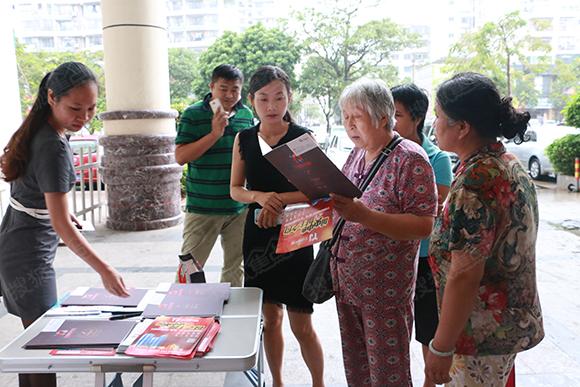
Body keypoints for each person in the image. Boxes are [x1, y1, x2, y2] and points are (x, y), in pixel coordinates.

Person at [0, 61, 129, 387]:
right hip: (26, 254)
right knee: (43, 349)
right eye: (75, 108)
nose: (84, 117)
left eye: (91, 108)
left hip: (13, 239)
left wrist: (58, 211)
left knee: (33, 343)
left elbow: (34, 192)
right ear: (52, 97)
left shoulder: (39, 127)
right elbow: (62, 228)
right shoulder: (53, 147)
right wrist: (105, 269)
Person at [425, 72, 544, 386]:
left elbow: (465, 275)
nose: (433, 124)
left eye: (438, 117)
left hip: (478, 332)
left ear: (462, 128)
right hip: (502, 324)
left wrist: (441, 345)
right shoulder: (505, 163)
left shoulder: (477, 182)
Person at [330, 78, 438, 387]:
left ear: (381, 117)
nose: (349, 124)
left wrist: (364, 215)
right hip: (348, 285)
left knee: (388, 375)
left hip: (384, 291)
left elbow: (423, 224)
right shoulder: (356, 154)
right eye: (345, 116)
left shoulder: (411, 158)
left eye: (356, 116)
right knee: (358, 369)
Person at [230, 65, 324, 387]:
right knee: (270, 319)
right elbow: (235, 189)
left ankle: (319, 383)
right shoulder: (243, 139)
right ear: (251, 100)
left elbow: (318, 190)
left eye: (279, 98)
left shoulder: (301, 138)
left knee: (302, 322)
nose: (272, 106)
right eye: (263, 99)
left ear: (289, 97)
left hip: (296, 233)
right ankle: (278, 382)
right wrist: (259, 196)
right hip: (258, 234)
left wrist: (278, 199)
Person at [392, 84, 453, 387]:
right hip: (393, 256)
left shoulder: (437, 159)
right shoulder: (383, 153)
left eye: (397, 115)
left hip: (426, 258)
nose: (390, 122)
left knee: (428, 331)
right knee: (397, 329)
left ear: (416, 118)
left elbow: (433, 211)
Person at [175, 64, 254, 287]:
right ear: (212, 87)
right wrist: (214, 133)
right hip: (202, 208)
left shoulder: (246, 115)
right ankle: (186, 317)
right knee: (189, 269)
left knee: (235, 268)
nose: (229, 95)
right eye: (223, 88)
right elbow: (180, 156)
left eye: (235, 90)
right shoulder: (193, 114)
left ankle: (228, 318)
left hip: (239, 209)